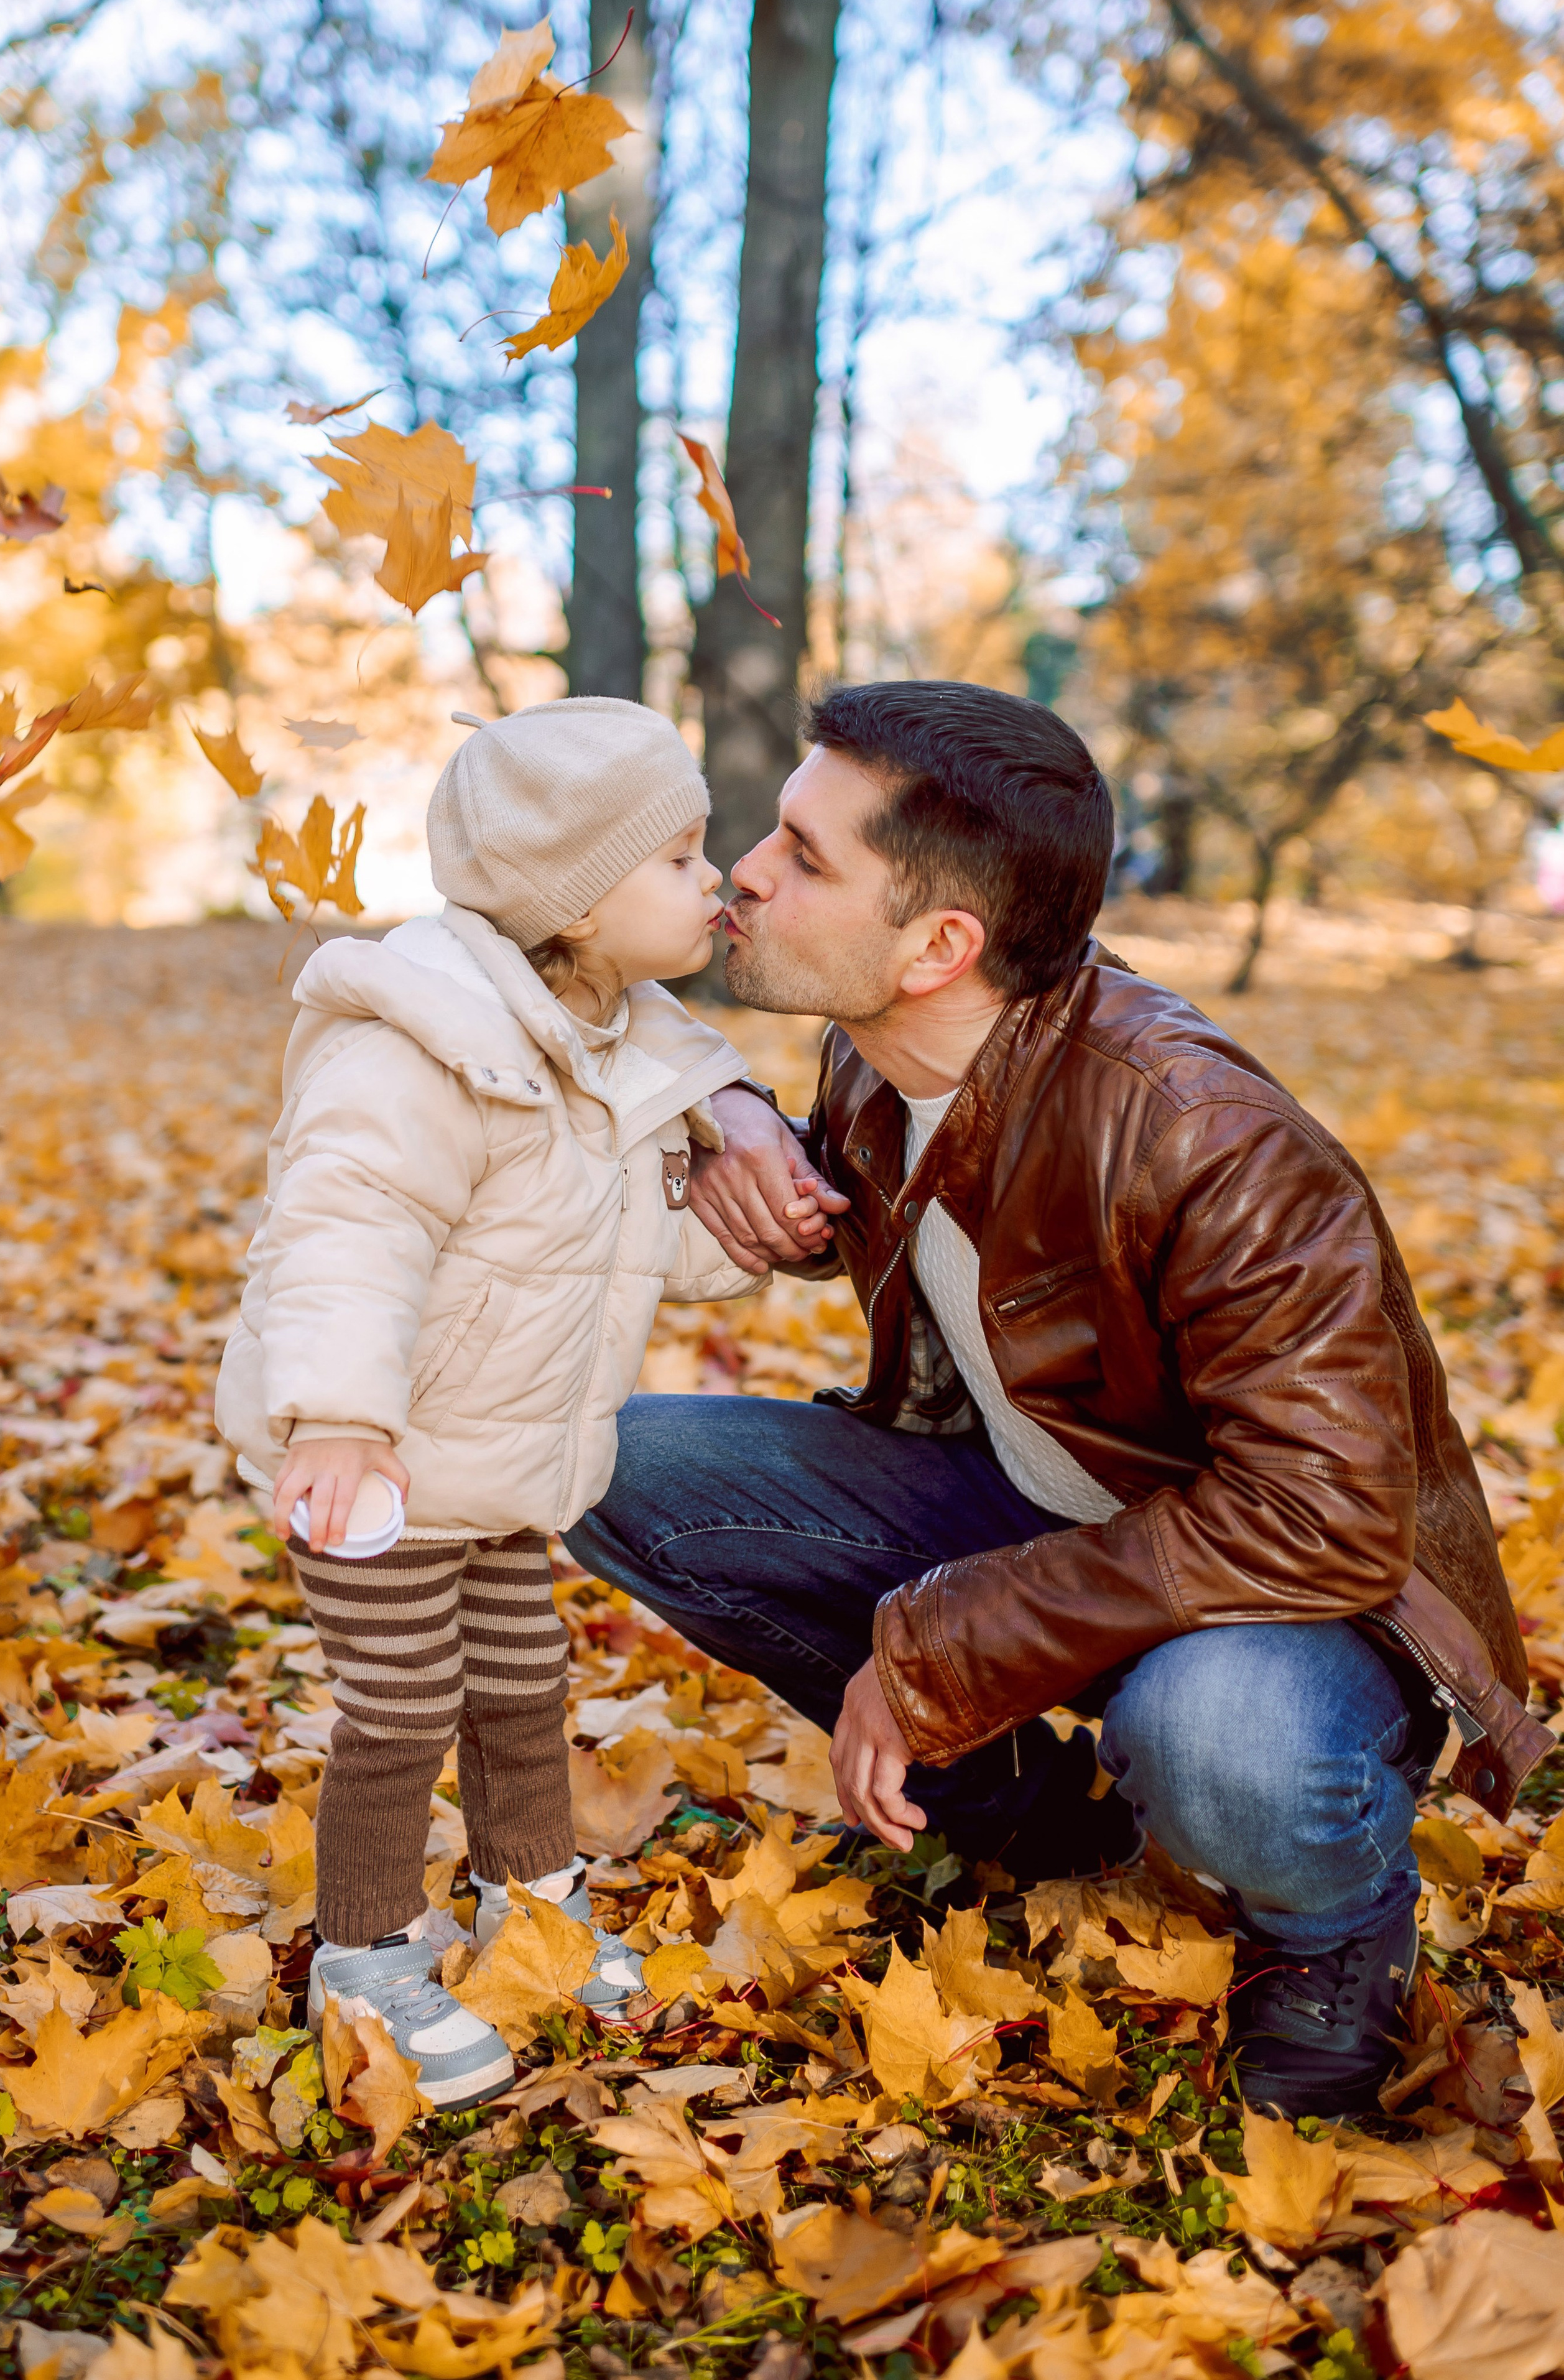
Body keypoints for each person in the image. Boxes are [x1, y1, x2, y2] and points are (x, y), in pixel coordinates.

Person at [566, 678, 1550, 2117]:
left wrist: (940, 1643)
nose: (743, 876)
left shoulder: (1205, 1141)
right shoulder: (877, 1050)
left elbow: (1323, 1519)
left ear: (939, 945)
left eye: (801, 855)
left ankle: (1329, 1932)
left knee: (1215, 1743)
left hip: (1297, 1604)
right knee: (595, 1462)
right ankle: (1028, 1816)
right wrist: (724, 1118)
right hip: (1044, 1512)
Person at [216, 697, 777, 2108]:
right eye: (679, 857)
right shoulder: (418, 1045)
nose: (715, 880)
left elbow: (635, 1235)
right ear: (575, 903)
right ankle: (366, 1952)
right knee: (402, 1704)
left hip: (501, 1465)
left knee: (524, 1687)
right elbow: (342, 1232)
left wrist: (777, 1231)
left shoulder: (605, 1052)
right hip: (377, 1463)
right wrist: (340, 1418)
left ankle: (527, 1898)